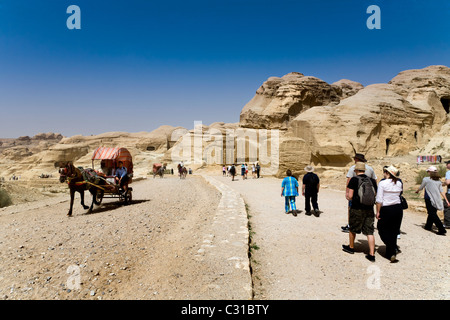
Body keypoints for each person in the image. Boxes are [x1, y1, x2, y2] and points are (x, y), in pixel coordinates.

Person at [342, 162, 377, 262]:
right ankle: (371, 254)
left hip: (357, 208)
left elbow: (351, 196)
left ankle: (351, 247)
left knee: (353, 228)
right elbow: (375, 194)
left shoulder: (354, 180)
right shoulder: (371, 180)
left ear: (355, 170)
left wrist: (349, 197)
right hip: (369, 209)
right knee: (370, 231)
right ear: (365, 170)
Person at [342, 153, 377, 233]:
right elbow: (374, 180)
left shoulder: (353, 168)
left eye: (355, 159)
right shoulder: (370, 169)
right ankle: (366, 225)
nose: (354, 160)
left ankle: (350, 225)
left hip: (355, 194)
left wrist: (347, 192)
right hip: (367, 193)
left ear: (357, 159)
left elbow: (349, 180)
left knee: (351, 209)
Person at [376, 166, 403, 262]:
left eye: (384, 172)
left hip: (386, 209)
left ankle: (392, 249)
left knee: (381, 228)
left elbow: (379, 199)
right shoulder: (399, 183)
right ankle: (390, 252)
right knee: (394, 230)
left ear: (387, 173)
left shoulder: (383, 183)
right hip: (398, 209)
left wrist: (378, 211)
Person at [416, 166, 450, 236]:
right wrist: (446, 200)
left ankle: (441, 229)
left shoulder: (426, 179)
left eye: (428, 171)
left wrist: (417, 191)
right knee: (432, 212)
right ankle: (428, 226)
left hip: (429, 199)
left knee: (432, 213)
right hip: (437, 199)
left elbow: (421, 187)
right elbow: (442, 191)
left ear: (430, 172)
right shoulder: (438, 181)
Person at [444, 160, 450, 228]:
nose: (446, 165)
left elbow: (448, 182)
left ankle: (448, 224)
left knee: (447, 207)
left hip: (449, 193)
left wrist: (443, 183)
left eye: (447, 164)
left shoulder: (449, 172)